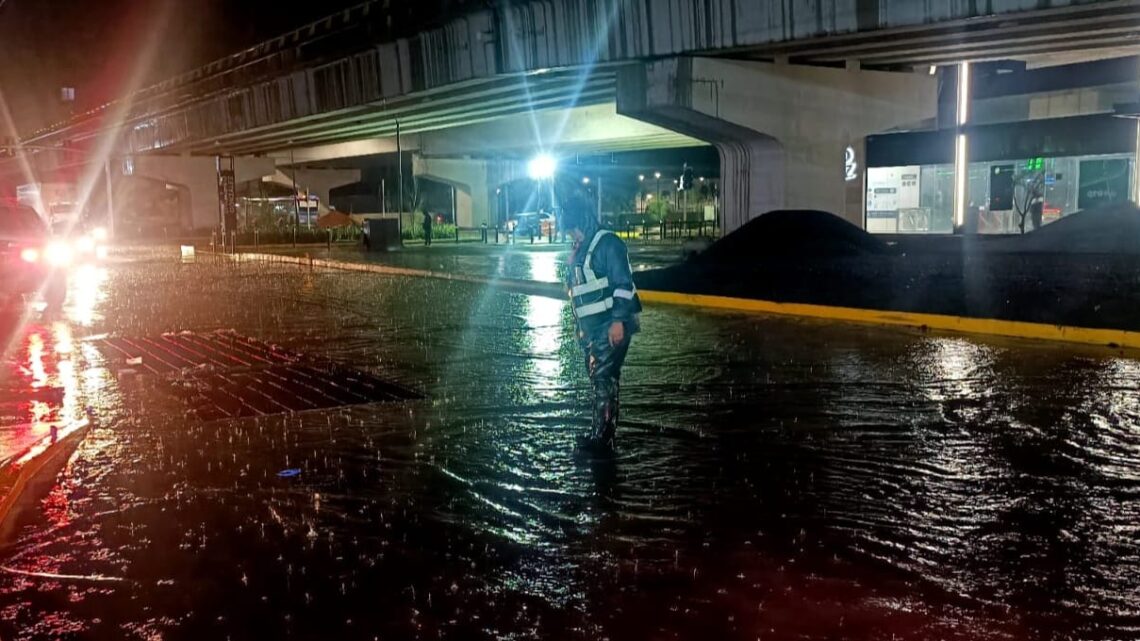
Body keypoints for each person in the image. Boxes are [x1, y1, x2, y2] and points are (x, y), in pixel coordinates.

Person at [562, 199, 642, 454]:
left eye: (573, 230)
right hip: (593, 329)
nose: (572, 236)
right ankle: (602, 434)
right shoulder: (582, 247)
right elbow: (578, 290)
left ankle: (602, 439)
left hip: (611, 324)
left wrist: (618, 321)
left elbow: (623, 284)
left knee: (602, 379)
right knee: (603, 381)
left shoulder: (608, 243)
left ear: (582, 222)